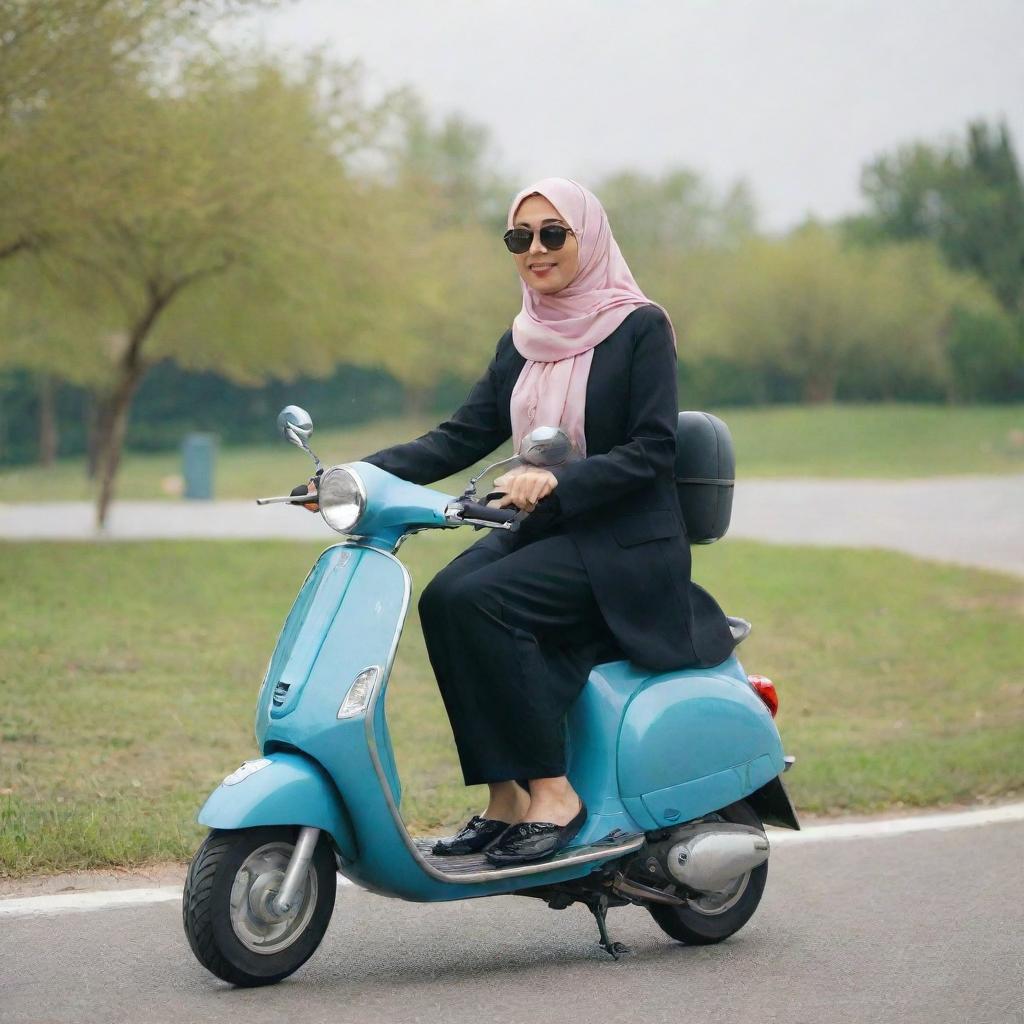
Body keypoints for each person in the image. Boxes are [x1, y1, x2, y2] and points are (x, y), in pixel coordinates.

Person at [309, 178, 736, 865]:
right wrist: (349, 477)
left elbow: (652, 450)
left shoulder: (639, 327)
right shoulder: (524, 336)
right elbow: (460, 435)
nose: (535, 249)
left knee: (484, 599)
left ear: (587, 239)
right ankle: (505, 800)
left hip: (626, 544)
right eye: (520, 237)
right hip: (553, 533)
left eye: (552, 234)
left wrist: (559, 478)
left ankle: (553, 793)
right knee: (445, 599)